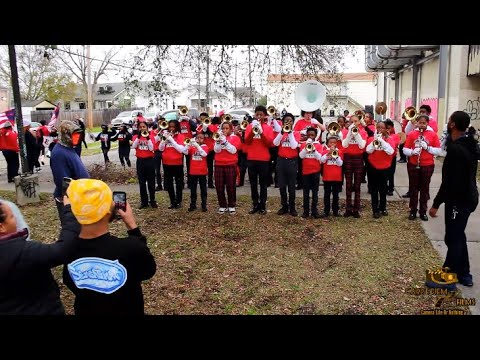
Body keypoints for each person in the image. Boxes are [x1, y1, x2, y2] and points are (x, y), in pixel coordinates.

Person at [62, 179, 157, 315]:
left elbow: (69, 281)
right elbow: (148, 270)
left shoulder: (66, 250)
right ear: (109, 212)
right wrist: (132, 226)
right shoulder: (131, 247)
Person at [0, 197, 81, 315]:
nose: (16, 221)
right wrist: (69, 211)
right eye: (12, 217)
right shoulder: (25, 251)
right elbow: (63, 250)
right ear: (1, 226)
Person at [429, 111, 479, 287]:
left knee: (453, 237)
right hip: (468, 197)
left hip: (460, 200)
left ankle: (447, 278)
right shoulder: (470, 144)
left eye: (448, 120)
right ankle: (464, 274)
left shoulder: (456, 149)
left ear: (452, 125)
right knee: (457, 235)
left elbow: (449, 182)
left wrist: (435, 204)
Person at [50, 120, 90, 226]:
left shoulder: (70, 148)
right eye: (74, 135)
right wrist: (71, 201)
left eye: (78, 135)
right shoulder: (59, 153)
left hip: (79, 197)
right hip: (70, 200)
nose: (77, 138)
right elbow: (62, 182)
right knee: (72, 229)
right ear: (66, 135)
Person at [403, 115, 441, 221]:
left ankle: (423, 211)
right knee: (413, 189)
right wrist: (412, 152)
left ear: (427, 123)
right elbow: (405, 149)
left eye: (424, 123)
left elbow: (439, 151)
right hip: (413, 164)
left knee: (424, 189)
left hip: (427, 165)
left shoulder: (432, 134)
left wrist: (427, 147)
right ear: (417, 123)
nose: (422, 125)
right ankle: (413, 211)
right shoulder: (412, 134)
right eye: (420, 123)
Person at [244, 105, 274, 215]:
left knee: (263, 184)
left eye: (261, 115)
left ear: (265, 116)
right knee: (253, 183)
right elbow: (247, 141)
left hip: (263, 159)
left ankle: (262, 205)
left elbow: (269, 143)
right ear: (254, 115)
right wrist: (253, 130)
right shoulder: (249, 126)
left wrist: (261, 132)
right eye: (257, 114)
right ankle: (255, 204)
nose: (259, 116)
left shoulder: (268, 128)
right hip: (251, 158)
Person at [365, 121, 395, 218]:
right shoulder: (371, 139)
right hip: (373, 167)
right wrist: (375, 141)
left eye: (382, 127)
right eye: (378, 127)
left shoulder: (390, 139)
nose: (380, 129)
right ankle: (375, 210)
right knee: (374, 189)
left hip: (385, 167)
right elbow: (368, 150)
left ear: (386, 129)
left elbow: (390, 152)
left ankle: (383, 207)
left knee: (383, 189)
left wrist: (381, 141)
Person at [272, 113, 299, 216]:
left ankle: (292, 207)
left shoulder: (296, 133)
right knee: (282, 185)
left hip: (292, 161)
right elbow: (275, 143)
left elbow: (293, 146)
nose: (288, 122)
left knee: (291, 186)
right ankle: (284, 206)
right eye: (286, 121)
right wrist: (282, 132)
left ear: (293, 122)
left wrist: (290, 132)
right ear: (283, 122)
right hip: (281, 161)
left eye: (290, 121)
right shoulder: (280, 132)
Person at [341, 115, 367, 218]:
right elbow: (344, 145)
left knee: (357, 185)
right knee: (348, 184)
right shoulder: (344, 132)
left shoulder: (363, 132)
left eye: (356, 121)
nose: (354, 123)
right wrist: (349, 134)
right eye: (352, 121)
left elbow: (362, 145)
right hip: (348, 158)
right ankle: (348, 208)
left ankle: (356, 209)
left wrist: (356, 134)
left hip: (358, 158)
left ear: (359, 122)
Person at [213, 121, 242, 214]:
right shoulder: (219, 137)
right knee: (219, 186)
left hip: (231, 164)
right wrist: (218, 141)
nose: (225, 130)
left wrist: (225, 141)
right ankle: (222, 205)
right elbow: (216, 150)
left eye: (227, 128)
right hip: (219, 164)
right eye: (223, 128)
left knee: (231, 186)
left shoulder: (235, 138)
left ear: (231, 129)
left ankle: (231, 205)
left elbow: (233, 150)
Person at [158, 120, 186, 209]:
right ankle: (172, 201)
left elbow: (181, 150)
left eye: (173, 127)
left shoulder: (181, 136)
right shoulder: (166, 136)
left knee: (178, 183)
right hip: (166, 163)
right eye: (170, 127)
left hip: (177, 163)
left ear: (177, 127)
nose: (171, 129)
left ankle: (179, 201)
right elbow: (160, 149)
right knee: (169, 183)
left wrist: (171, 140)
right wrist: (163, 141)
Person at [299, 128, 324, 218]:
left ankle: (314, 211)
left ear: (315, 136)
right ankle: (306, 211)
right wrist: (306, 148)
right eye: (309, 135)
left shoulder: (318, 145)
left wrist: (313, 149)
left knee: (315, 192)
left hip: (315, 171)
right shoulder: (303, 145)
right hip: (306, 172)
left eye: (312, 135)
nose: (310, 137)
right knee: (305, 192)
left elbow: (320, 158)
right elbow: (301, 156)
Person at [132, 121, 157, 209]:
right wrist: (138, 137)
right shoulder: (136, 136)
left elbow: (151, 148)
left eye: (144, 127)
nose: (142, 128)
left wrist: (148, 138)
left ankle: (153, 201)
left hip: (149, 161)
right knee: (142, 183)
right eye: (140, 127)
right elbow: (134, 146)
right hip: (140, 161)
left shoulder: (151, 137)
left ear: (147, 127)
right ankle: (144, 202)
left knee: (151, 182)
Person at [184, 133, 209, 212]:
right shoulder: (192, 147)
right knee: (193, 189)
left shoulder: (205, 147)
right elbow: (185, 152)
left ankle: (204, 204)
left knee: (203, 189)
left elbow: (204, 154)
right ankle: (193, 204)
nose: (199, 139)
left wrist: (197, 146)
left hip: (202, 171)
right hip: (193, 171)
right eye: (197, 138)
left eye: (201, 138)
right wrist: (188, 144)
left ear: (203, 139)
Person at [320, 136, 343, 217]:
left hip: (336, 177)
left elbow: (340, 163)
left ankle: (335, 210)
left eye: (334, 143)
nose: (332, 144)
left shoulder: (339, 152)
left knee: (336, 194)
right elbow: (321, 161)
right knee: (327, 194)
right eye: (330, 142)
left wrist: (335, 156)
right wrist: (328, 154)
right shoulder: (325, 151)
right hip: (327, 177)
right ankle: (326, 211)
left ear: (336, 144)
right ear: (327, 143)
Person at [384, 119, 400, 196]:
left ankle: (391, 188)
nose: (387, 130)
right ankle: (385, 187)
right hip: (383, 158)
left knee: (391, 174)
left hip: (392, 158)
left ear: (392, 128)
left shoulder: (395, 136)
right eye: (385, 128)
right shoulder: (381, 135)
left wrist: (388, 137)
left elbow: (394, 144)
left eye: (389, 128)